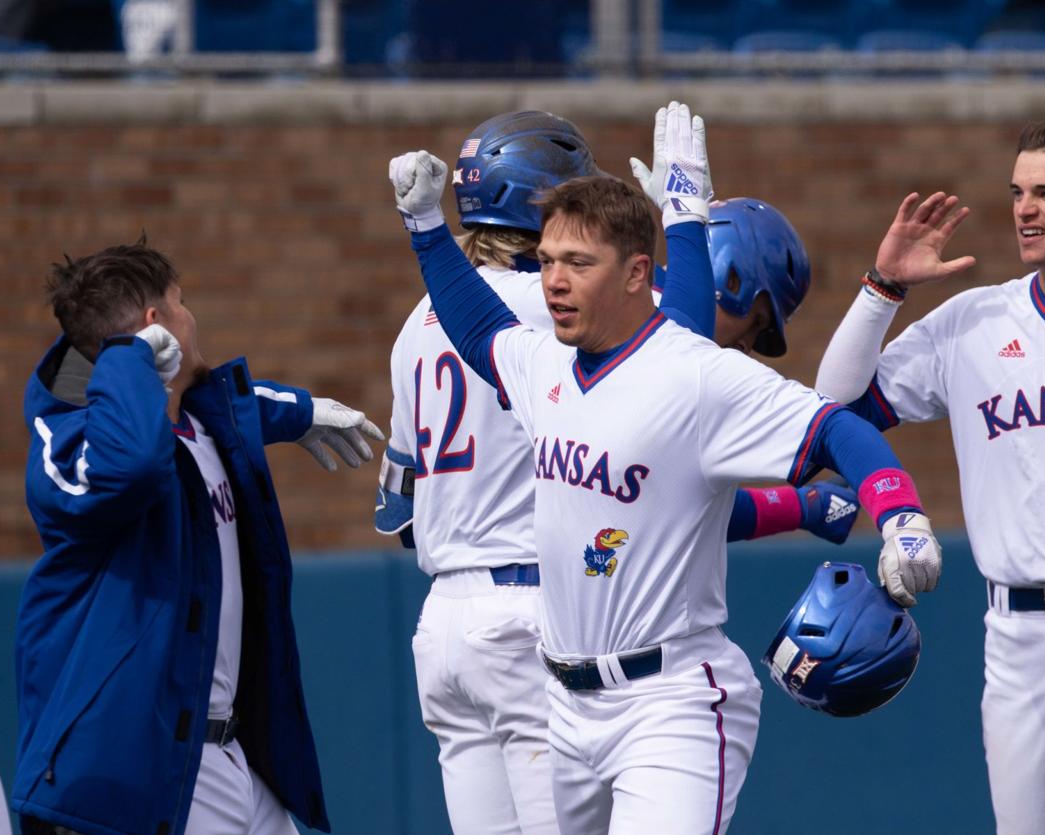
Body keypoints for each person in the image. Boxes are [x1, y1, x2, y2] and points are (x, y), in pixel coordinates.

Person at [387, 143, 942, 831]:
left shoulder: (697, 374)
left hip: (669, 699)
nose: (555, 281)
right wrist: (425, 229)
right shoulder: (544, 365)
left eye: (578, 264)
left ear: (636, 274)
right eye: (550, 260)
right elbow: (476, 330)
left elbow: (837, 430)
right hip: (564, 704)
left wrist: (901, 513)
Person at [814, 119, 1045, 834]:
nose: (1024, 209)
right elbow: (832, 412)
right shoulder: (973, 322)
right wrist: (882, 287)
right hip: (1012, 630)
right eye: (1018, 192)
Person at [16, 240, 383, 835]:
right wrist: (130, 362)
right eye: (181, 304)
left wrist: (300, 409)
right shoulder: (67, 438)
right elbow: (130, 465)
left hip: (229, 751)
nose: (194, 318)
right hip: (139, 767)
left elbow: (232, 404)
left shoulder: (193, 420)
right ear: (156, 325)